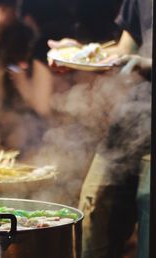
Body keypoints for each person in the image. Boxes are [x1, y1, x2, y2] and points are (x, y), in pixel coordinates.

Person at [48, 0, 151, 257]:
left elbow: (138, 60)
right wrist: (81, 54)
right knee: (94, 221)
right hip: (130, 123)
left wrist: (147, 65)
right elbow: (124, 51)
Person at [0, 1, 53, 156]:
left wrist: (21, 82)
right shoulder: (0, 69)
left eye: (1, 9)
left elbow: (42, 110)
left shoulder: (33, 52)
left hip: (34, 138)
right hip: (9, 137)